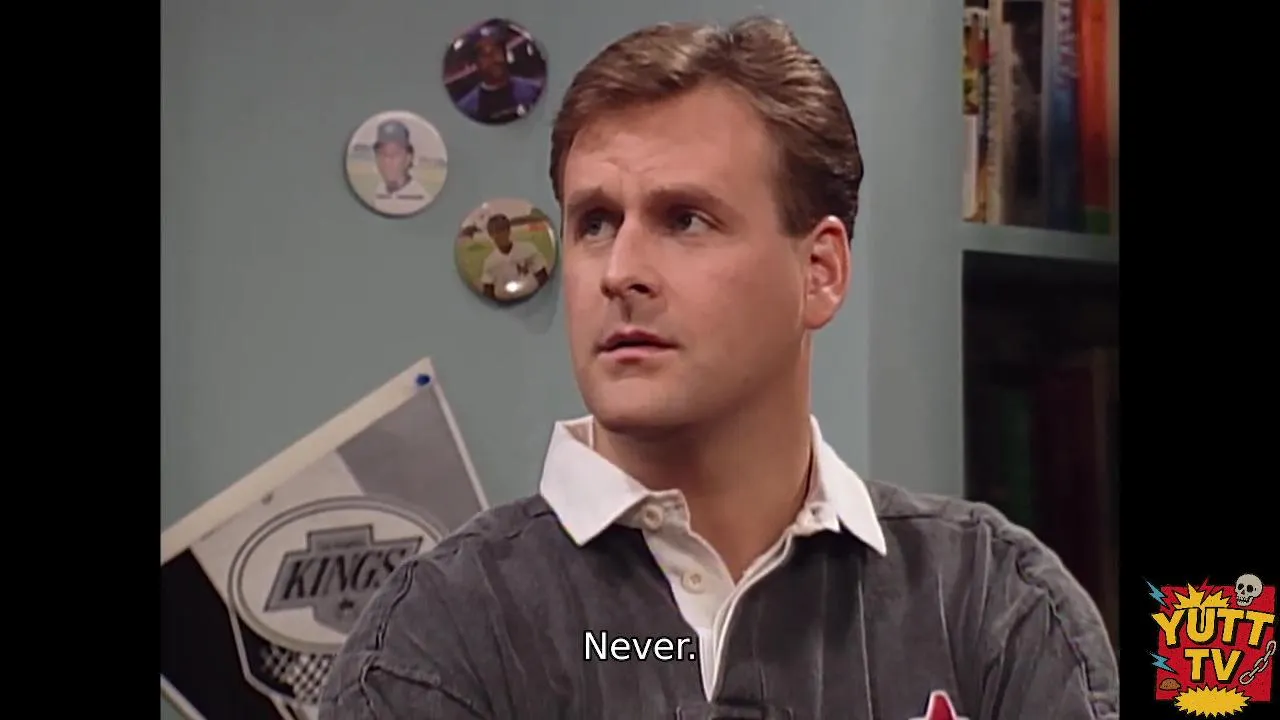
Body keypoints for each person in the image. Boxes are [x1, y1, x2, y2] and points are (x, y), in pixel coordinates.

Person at [320, 16, 1119, 720]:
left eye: (685, 220)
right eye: (595, 222)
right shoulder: (439, 633)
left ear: (820, 272)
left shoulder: (994, 605)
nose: (619, 272)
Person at [454, 27, 545, 123]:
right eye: (484, 54)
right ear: (476, 63)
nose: (493, 58)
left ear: (505, 53)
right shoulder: (467, 109)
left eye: (496, 50)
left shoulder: (534, 92)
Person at [475, 213, 550, 301]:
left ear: (509, 230)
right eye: (495, 232)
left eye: (502, 230)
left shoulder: (528, 249)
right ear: (490, 235)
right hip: (505, 301)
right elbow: (488, 291)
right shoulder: (490, 261)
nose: (499, 235)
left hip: (532, 297)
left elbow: (542, 277)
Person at [369, 119, 429, 214]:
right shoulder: (378, 192)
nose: (387, 162)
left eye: (394, 154)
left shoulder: (420, 198)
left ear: (408, 158)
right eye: (382, 154)